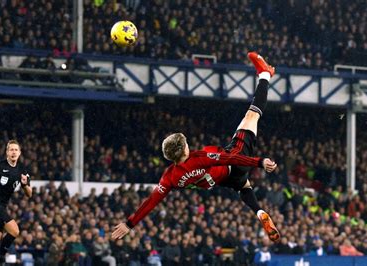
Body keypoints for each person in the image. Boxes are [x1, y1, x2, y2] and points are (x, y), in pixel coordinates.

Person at [112, 52, 281, 243]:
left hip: (225, 180)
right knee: (252, 116)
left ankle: (258, 211)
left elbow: (151, 201)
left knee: (244, 185)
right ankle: (265, 74)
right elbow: (229, 158)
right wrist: (259, 162)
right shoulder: (199, 157)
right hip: (235, 160)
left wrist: (130, 223)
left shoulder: (170, 177)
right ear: (184, 149)